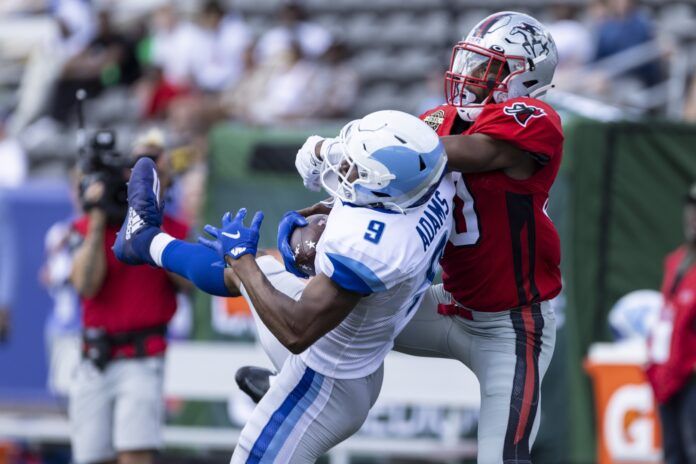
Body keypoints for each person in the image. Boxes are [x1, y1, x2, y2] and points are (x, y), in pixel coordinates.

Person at [290, 11, 563, 463]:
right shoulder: (436, 119)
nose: (468, 76)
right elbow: (388, 181)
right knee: (317, 306)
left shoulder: (535, 119)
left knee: (503, 458)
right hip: (444, 302)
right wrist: (332, 204)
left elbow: (470, 152)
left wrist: (340, 143)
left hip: (512, 325)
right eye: (470, 63)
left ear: (524, 79)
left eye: (488, 68)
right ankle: (292, 384)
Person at [113, 110, 454, 463]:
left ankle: (282, 384)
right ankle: (144, 240)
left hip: (322, 381)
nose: (346, 170)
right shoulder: (430, 183)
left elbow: (296, 330)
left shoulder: (371, 249)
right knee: (254, 268)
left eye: (356, 168)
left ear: (384, 182)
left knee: (247, 267)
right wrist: (323, 158)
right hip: (353, 359)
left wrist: (241, 258)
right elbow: (369, 197)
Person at [67, 140, 188, 464]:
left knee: (135, 455)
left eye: (155, 167)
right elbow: (86, 285)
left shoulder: (173, 229)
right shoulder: (87, 227)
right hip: (95, 357)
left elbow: (191, 284)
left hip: (141, 357)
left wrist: (151, 223)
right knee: (91, 457)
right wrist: (96, 217)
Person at [646, 183, 696, 464]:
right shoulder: (676, 260)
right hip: (669, 375)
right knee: (673, 452)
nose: (694, 216)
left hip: (691, 378)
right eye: (691, 208)